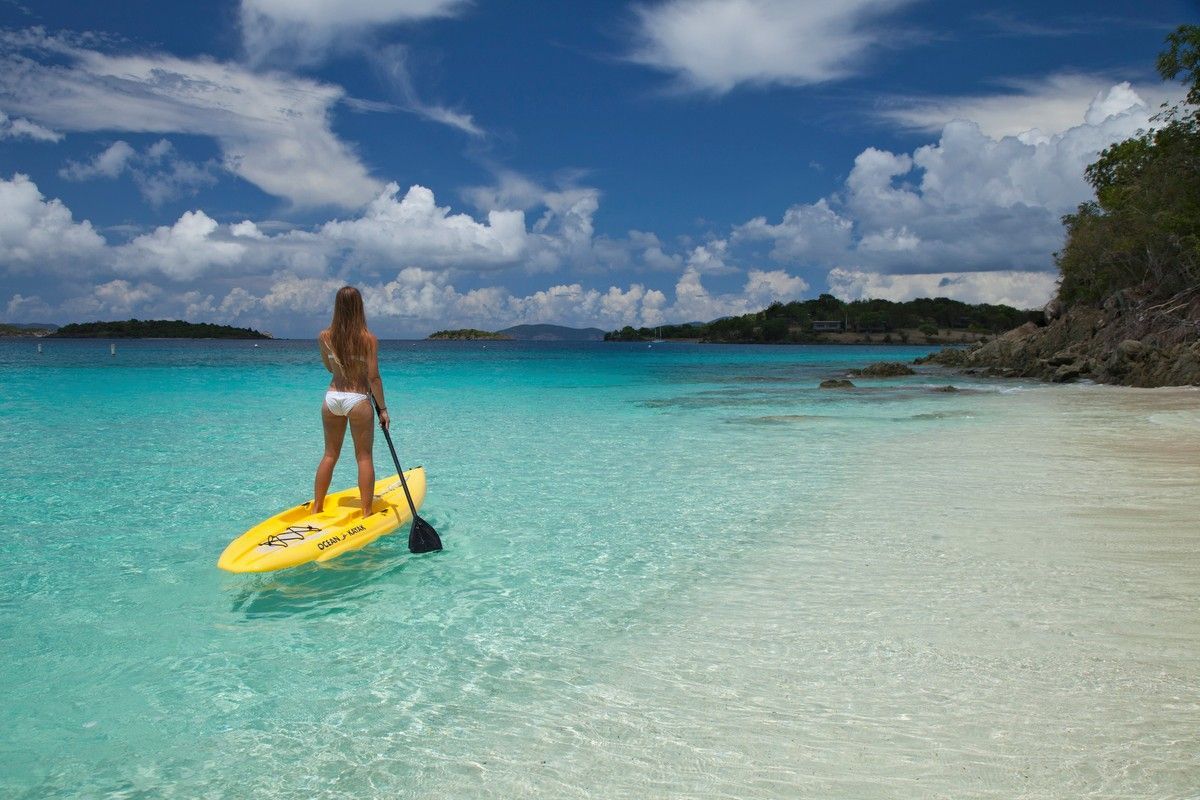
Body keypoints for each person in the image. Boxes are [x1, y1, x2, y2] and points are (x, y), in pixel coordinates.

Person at [312, 286, 389, 518]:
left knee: (329, 454)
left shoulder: (325, 337)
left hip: (332, 398)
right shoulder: (368, 340)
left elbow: (329, 367)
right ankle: (366, 512)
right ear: (359, 308)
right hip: (357, 399)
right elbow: (373, 377)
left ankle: (317, 507)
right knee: (363, 456)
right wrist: (383, 409)